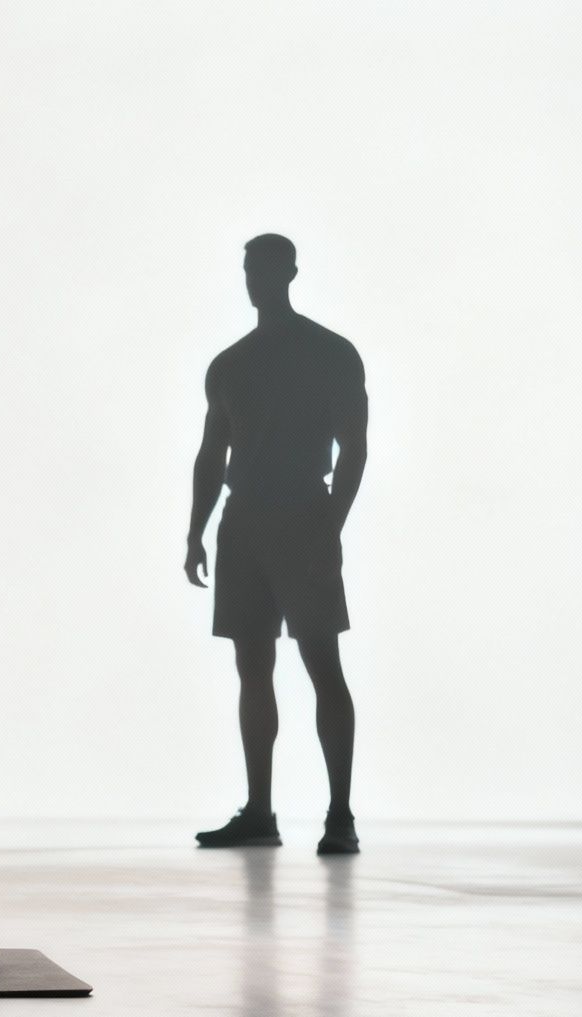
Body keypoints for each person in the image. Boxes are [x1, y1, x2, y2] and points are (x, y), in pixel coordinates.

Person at [185, 234, 368, 855]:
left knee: (322, 663)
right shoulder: (230, 365)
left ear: (289, 272)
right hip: (246, 525)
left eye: (262, 268)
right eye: (247, 269)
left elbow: (355, 448)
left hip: (302, 516)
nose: (253, 278)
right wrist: (196, 531)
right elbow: (212, 454)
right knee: (252, 667)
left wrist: (330, 525)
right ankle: (260, 811)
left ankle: (339, 814)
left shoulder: (330, 354)